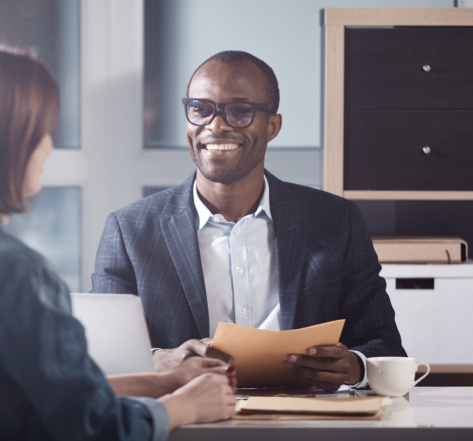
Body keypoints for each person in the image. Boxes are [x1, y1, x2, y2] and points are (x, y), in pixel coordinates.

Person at [0, 43, 237, 441]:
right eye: (42, 132)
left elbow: (11, 398)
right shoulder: (13, 272)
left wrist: (161, 383)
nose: (49, 148)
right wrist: (182, 407)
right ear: (4, 143)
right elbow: (91, 428)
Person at [92, 50, 406, 392]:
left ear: (272, 126)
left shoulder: (336, 221)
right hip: (189, 425)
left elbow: (385, 347)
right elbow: (103, 362)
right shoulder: (130, 231)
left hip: (303, 423)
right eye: (201, 109)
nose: (215, 125)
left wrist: (352, 367)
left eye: (239, 111)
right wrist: (156, 360)